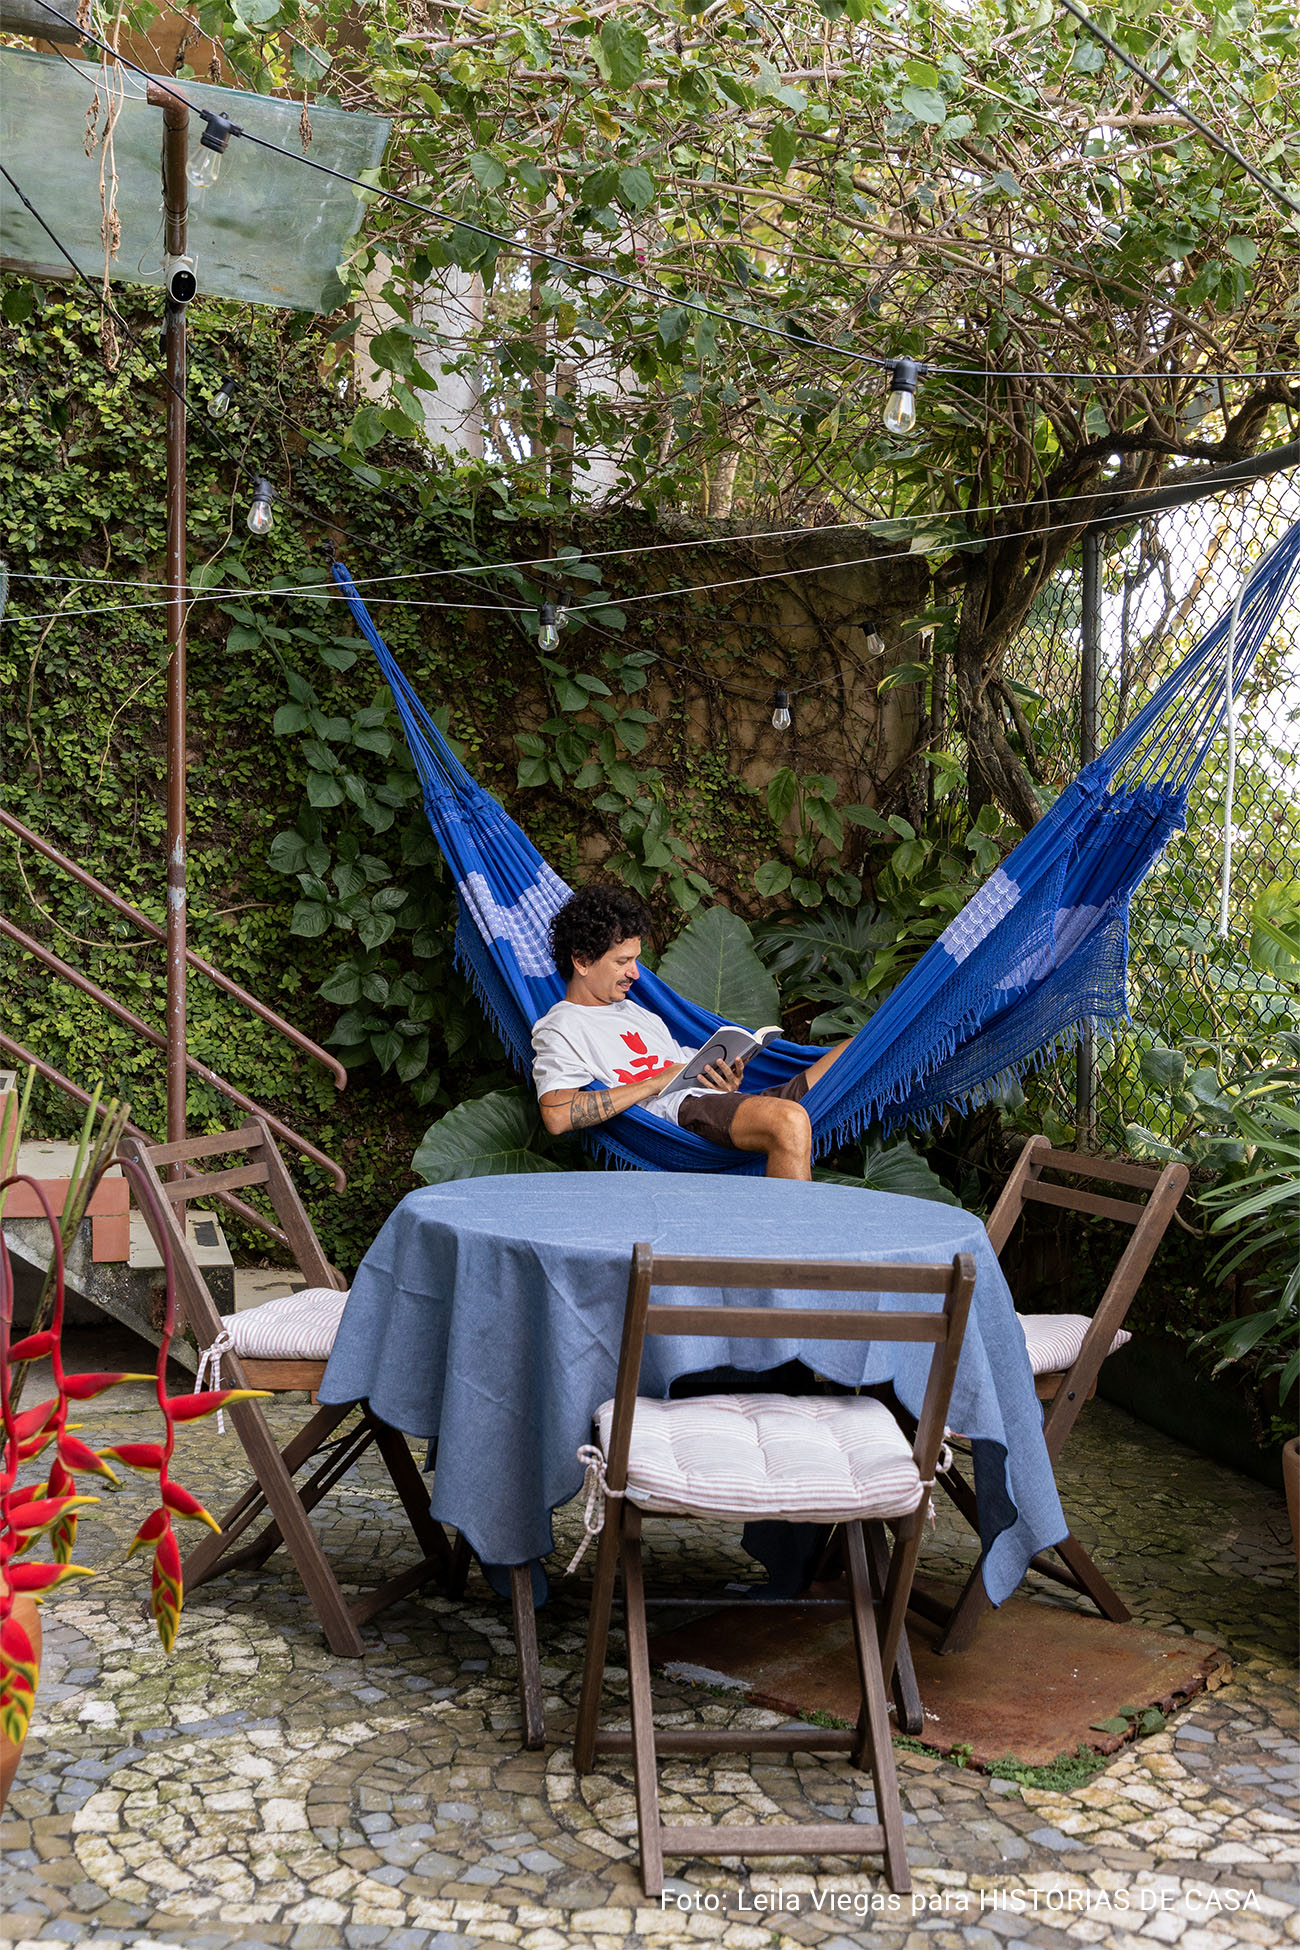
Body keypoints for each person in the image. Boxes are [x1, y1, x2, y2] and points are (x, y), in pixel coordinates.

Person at [531, 884, 849, 1178]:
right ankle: (795, 1226)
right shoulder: (560, 1026)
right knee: (790, 1121)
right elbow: (557, 1116)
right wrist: (654, 1083)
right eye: (623, 961)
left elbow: (688, 1074)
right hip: (680, 1115)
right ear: (582, 962)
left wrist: (723, 1082)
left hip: (718, 1106)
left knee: (850, 1053)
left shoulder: (636, 1012)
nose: (635, 974)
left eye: (635, 960)